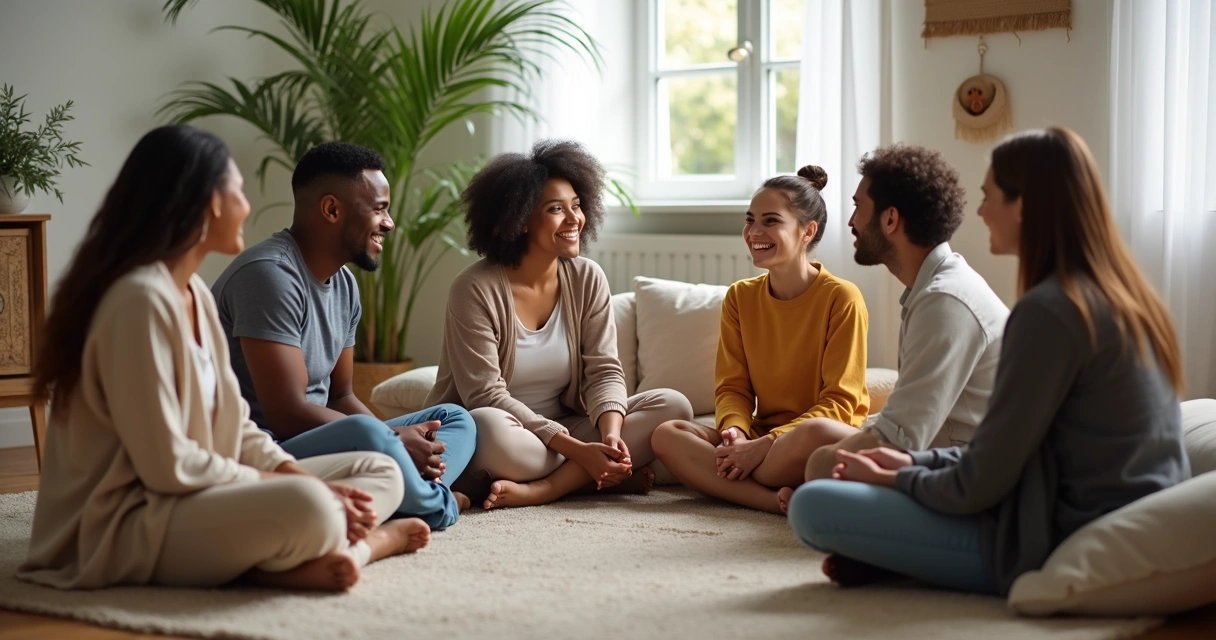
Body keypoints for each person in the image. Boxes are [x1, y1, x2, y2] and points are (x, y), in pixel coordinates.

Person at [20, 125, 428, 592]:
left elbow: (235, 426)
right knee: (311, 508)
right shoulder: (139, 300)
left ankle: (289, 557)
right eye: (237, 190)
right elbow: (168, 466)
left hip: (190, 497)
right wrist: (300, 488)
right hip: (122, 522)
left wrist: (292, 471)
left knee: (381, 471)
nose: (247, 206)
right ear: (205, 203)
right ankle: (365, 546)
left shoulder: (192, 291)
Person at [787, 127, 1191, 595]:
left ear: (1023, 206)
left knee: (813, 507)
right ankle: (904, 559)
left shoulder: (1048, 312)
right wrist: (907, 467)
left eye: (989, 195)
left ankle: (908, 560)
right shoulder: (1115, 295)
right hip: (1076, 503)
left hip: (1061, 530)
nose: (978, 211)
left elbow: (980, 482)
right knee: (835, 470)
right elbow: (1001, 456)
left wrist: (900, 477)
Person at [211, 142, 474, 530]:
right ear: (332, 209)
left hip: (326, 437)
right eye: (380, 208)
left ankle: (407, 490)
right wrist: (390, 437)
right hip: (268, 449)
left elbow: (341, 395)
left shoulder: (345, 284)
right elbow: (286, 414)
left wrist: (393, 437)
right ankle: (435, 505)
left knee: (454, 418)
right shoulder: (269, 276)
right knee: (372, 433)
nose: (390, 223)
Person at [426, 139, 694, 510]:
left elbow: (604, 371)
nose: (574, 220)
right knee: (486, 425)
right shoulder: (474, 289)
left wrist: (611, 436)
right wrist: (580, 451)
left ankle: (547, 489)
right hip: (513, 435)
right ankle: (587, 478)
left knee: (673, 405)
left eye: (577, 206)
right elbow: (484, 395)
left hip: (568, 428)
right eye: (556, 209)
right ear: (519, 220)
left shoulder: (587, 277)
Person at [789, 145, 1009, 500]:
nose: (850, 222)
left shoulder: (945, 300)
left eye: (858, 206)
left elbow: (899, 441)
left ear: (890, 220)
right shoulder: (935, 287)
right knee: (813, 437)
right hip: (939, 452)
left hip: (966, 477)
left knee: (814, 486)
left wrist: (821, 463)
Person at [650, 166, 870, 514]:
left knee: (814, 431)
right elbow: (732, 387)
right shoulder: (740, 297)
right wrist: (735, 434)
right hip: (759, 436)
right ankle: (772, 500)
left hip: (811, 439)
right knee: (667, 434)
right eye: (750, 220)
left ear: (807, 232)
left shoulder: (842, 297)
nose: (754, 232)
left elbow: (841, 402)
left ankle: (738, 478)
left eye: (770, 221)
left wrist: (766, 444)